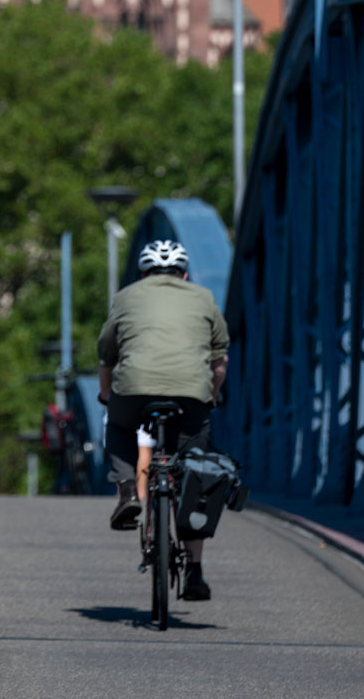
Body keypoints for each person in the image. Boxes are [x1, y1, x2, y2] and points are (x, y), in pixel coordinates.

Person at [97, 240, 228, 601]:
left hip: (135, 389)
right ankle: (196, 572)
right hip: (191, 394)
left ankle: (126, 489)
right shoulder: (203, 297)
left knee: (119, 426)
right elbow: (220, 361)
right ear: (184, 274)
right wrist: (212, 395)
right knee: (196, 473)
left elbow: (106, 355)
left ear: (143, 275)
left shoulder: (125, 297)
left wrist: (106, 395)